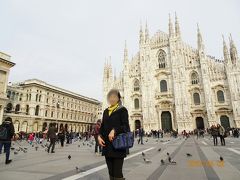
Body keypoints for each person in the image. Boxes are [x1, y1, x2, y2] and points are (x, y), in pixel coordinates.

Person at [98, 89, 130, 180]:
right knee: (110, 172)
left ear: (118, 98)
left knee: (117, 173)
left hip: (118, 145)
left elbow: (125, 126)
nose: (112, 99)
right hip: (107, 146)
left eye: (114, 97)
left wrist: (114, 130)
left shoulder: (122, 110)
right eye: (110, 97)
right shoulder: (105, 111)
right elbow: (102, 127)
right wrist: (99, 136)